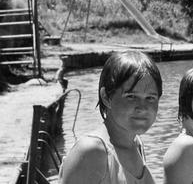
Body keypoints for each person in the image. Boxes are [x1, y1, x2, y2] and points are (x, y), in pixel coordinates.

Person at [60, 51, 163, 184]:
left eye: (150, 98)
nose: (142, 108)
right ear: (106, 97)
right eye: (131, 97)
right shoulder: (91, 152)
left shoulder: (136, 144)